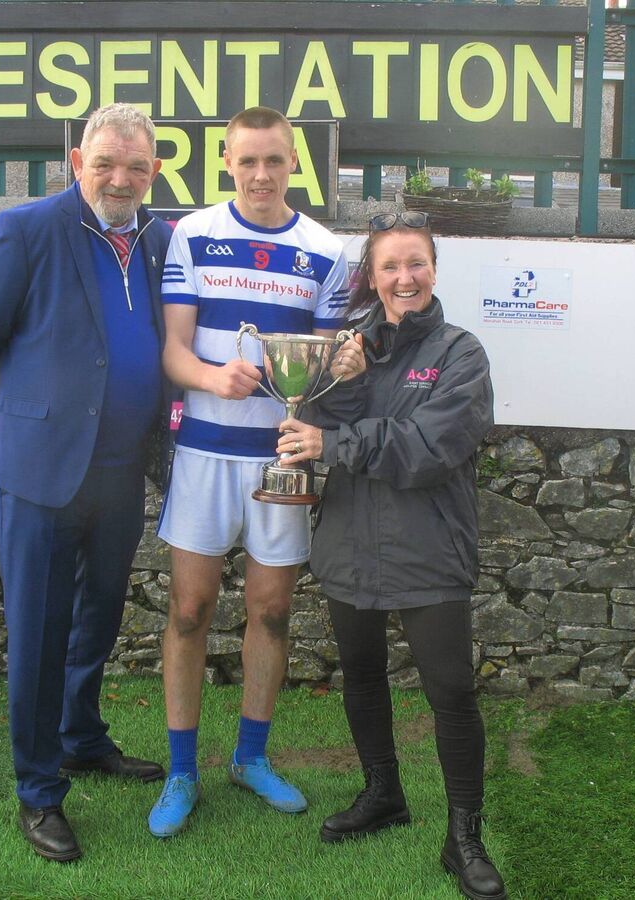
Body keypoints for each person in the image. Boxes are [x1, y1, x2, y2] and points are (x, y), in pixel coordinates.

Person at [0, 103, 172, 863]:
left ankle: (80, 738)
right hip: (42, 475)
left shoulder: (156, 237)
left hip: (119, 476)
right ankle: (39, 791)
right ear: (77, 161)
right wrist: (26, 416)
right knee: (41, 635)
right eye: (106, 162)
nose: (121, 178)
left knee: (97, 620)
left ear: (153, 172)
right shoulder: (27, 228)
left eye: (136, 167)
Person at [276, 211, 508, 900]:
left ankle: (464, 836)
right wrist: (338, 381)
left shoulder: (461, 352)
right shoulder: (349, 346)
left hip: (429, 544)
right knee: (362, 675)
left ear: (433, 270)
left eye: (416, 264)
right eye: (390, 267)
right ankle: (384, 794)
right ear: (371, 278)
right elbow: (312, 424)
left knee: (452, 692)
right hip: (348, 538)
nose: (404, 278)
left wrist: (337, 443)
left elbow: (430, 447)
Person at [149, 106, 350, 838]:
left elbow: (322, 373)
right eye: (247, 161)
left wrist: (343, 364)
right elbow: (171, 352)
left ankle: (252, 757)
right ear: (226, 161)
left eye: (275, 161)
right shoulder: (192, 236)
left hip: (280, 461)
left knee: (270, 611)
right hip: (204, 453)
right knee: (189, 612)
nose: (261, 174)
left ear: (295, 163)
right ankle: (180, 771)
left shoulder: (328, 250)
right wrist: (209, 376)